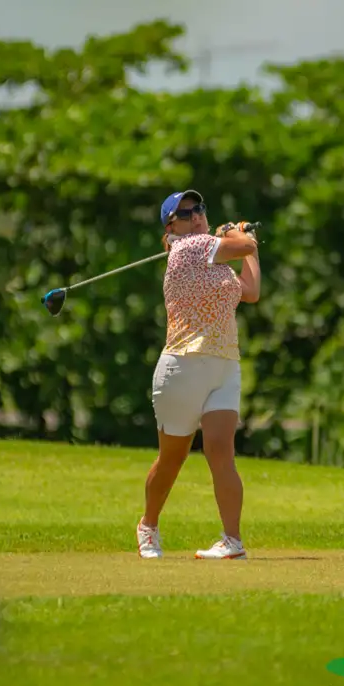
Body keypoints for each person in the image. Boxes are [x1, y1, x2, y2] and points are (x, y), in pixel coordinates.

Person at [135, 189, 261, 560]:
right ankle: (148, 526)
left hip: (224, 365)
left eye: (200, 209)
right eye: (187, 213)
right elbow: (243, 246)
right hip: (182, 365)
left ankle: (232, 541)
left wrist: (247, 244)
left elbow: (251, 291)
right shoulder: (188, 249)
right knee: (172, 458)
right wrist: (239, 234)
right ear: (171, 227)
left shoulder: (216, 262)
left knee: (221, 453)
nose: (197, 216)